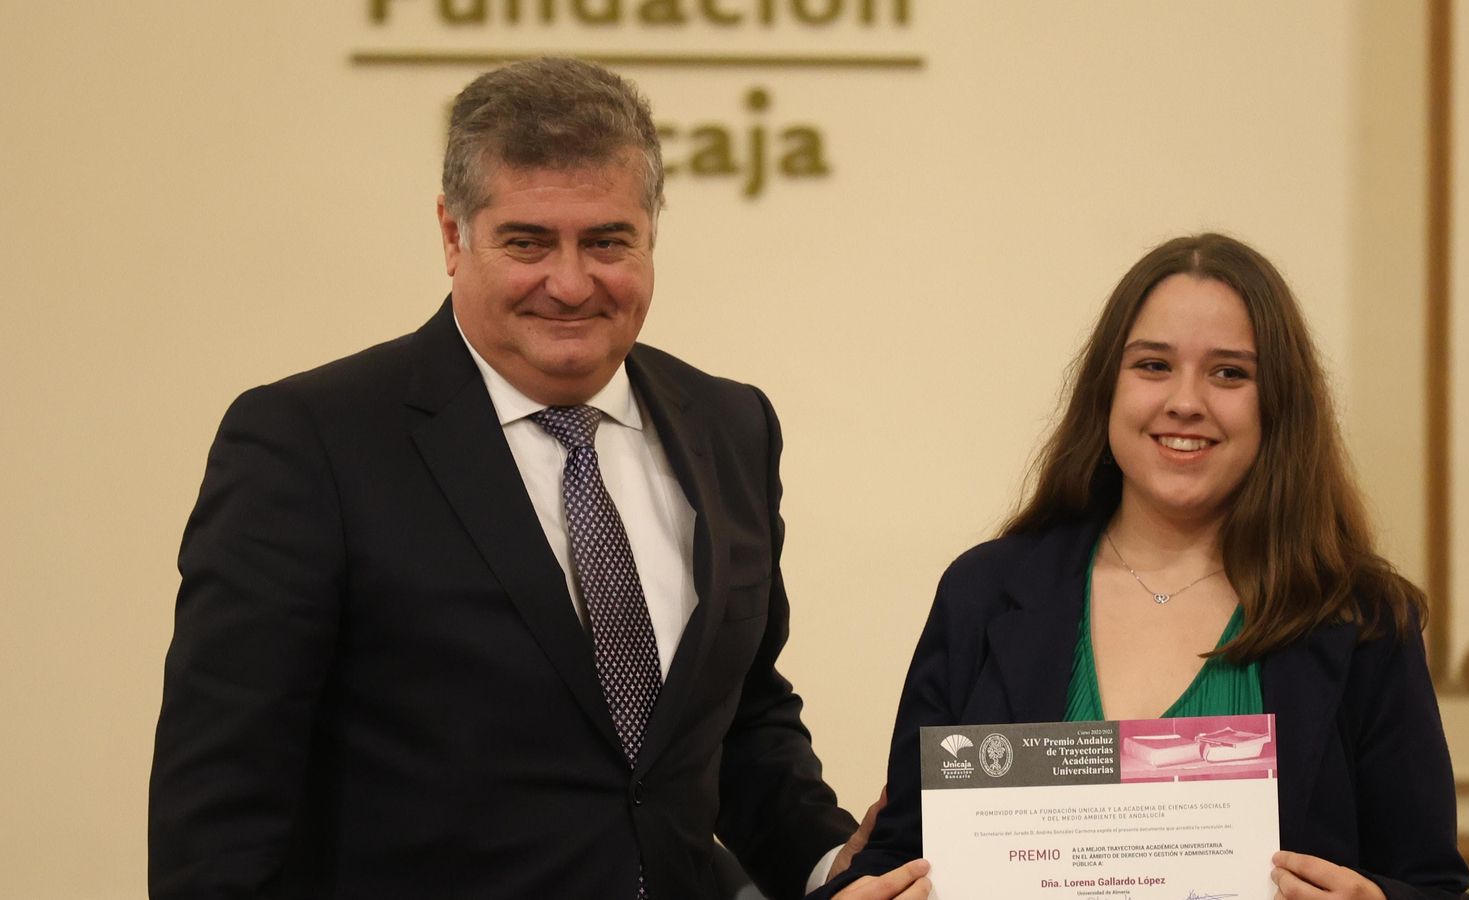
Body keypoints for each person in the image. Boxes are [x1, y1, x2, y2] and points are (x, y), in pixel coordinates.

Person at [149, 57, 928, 900]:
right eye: (527, 242)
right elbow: (222, 806)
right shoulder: (310, 443)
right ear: (453, 236)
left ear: (652, 232)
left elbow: (739, 715)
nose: (570, 283)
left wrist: (830, 863)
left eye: (607, 242)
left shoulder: (731, 426)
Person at [818, 233, 1469, 899]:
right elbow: (901, 857)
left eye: (1229, 373)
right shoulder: (983, 593)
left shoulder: (1361, 617)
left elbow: (1435, 885)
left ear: (1279, 404)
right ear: (1106, 388)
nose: (1185, 401)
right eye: (1153, 365)